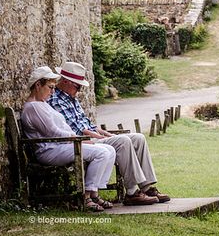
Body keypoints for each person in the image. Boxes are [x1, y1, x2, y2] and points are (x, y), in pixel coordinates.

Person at [48, 61, 170, 206]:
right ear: (67, 82)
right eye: (78, 86)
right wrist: (102, 137)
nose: (79, 90)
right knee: (123, 141)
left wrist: (106, 134)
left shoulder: (71, 98)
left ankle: (147, 187)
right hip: (83, 142)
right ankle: (131, 192)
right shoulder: (56, 100)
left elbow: (88, 124)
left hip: (91, 137)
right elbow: (76, 130)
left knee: (139, 138)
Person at [21, 65, 116, 212]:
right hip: (50, 151)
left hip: (62, 146)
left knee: (109, 149)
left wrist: (78, 138)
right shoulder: (33, 107)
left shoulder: (43, 104)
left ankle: (94, 193)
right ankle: (86, 197)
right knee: (101, 153)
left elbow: (62, 126)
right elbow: (52, 132)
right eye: (50, 87)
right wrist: (76, 138)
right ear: (38, 84)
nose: (53, 92)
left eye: (53, 88)